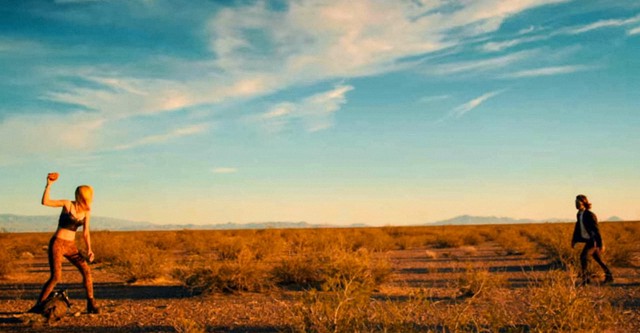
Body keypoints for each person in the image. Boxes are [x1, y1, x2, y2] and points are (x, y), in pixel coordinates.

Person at [28, 173, 100, 314]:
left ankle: (91, 303)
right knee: (56, 277)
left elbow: (86, 232)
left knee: (86, 271)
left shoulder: (86, 212)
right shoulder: (68, 204)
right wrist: (48, 185)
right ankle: (38, 306)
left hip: (71, 246)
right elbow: (46, 202)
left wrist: (89, 250)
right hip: (58, 244)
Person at [571, 194, 613, 285]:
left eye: (578, 202)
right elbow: (577, 227)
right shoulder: (579, 214)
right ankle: (609, 276)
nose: (576, 204)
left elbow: (596, 229)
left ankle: (586, 280)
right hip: (588, 240)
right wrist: (574, 240)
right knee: (598, 259)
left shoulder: (590, 215)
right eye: (575, 202)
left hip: (593, 241)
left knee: (583, 256)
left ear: (583, 203)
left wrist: (601, 244)